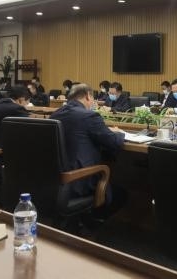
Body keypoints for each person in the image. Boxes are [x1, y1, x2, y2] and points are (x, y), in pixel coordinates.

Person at [50, 83, 126, 218]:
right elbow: (113, 142)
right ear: (87, 96)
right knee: (122, 193)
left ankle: (84, 221)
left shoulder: (55, 114)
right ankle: (93, 224)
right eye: (92, 99)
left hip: (55, 180)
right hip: (79, 181)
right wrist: (120, 133)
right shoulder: (89, 116)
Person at [0, 84, 30, 149]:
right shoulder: (17, 108)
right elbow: (29, 127)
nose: (26, 105)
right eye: (26, 103)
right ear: (21, 99)